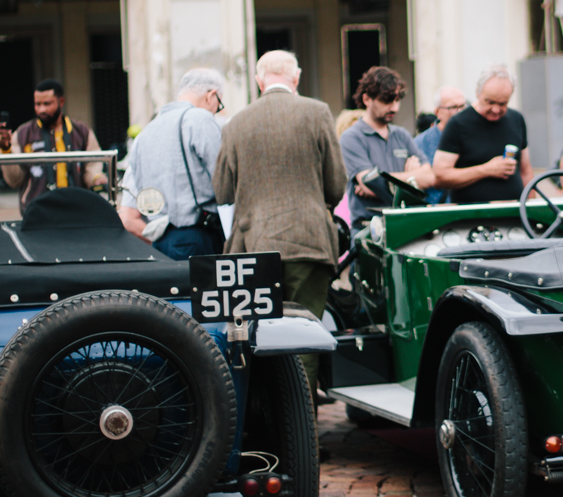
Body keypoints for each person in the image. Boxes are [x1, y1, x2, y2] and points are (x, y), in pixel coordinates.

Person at [212, 49, 346, 400]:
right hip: (308, 242)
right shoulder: (317, 112)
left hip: (253, 246)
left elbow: (222, 191)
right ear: (296, 77)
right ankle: (304, 443)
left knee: (255, 341)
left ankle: (266, 439)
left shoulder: (236, 123)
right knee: (305, 339)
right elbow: (336, 185)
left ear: (259, 80)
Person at [117, 67, 226, 259]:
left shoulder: (146, 132)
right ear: (211, 96)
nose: (216, 111)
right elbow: (223, 178)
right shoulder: (199, 119)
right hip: (199, 235)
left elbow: (134, 200)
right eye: (219, 105)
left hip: (159, 241)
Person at [339, 65, 434, 228]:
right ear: (367, 99)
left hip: (406, 224)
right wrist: (411, 178)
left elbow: (429, 177)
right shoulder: (351, 137)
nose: (395, 108)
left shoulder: (401, 134)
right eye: (386, 100)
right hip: (371, 228)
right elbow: (369, 184)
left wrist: (384, 181)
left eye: (397, 100)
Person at [434, 66, 535, 204]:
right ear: (477, 92)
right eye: (490, 102)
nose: (495, 109)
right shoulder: (458, 124)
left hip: (513, 214)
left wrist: (531, 209)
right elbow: (441, 176)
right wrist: (486, 170)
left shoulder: (516, 119)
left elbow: (526, 171)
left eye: (502, 103)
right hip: (472, 218)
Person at [0, 79, 105, 211]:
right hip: (36, 213)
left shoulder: (82, 132)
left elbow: (92, 167)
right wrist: (5, 149)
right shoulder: (22, 134)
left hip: (77, 211)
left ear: (61, 102)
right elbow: (14, 181)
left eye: (47, 103)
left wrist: (97, 178)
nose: (41, 109)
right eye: (37, 104)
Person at [414, 86, 467, 204]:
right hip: (438, 214)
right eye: (453, 107)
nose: (460, 112)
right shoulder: (420, 143)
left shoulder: (474, 136)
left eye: (463, 106)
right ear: (438, 112)